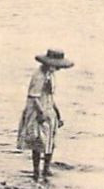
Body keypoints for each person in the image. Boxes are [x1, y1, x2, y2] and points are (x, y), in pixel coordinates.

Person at [16, 49, 71, 181]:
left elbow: (50, 97)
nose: (58, 69)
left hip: (48, 108)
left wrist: (58, 113)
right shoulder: (39, 76)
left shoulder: (50, 75)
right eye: (56, 66)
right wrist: (41, 113)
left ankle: (46, 169)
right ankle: (36, 171)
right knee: (38, 141)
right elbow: (33, 97)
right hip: (38, 110)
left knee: (50, 141)